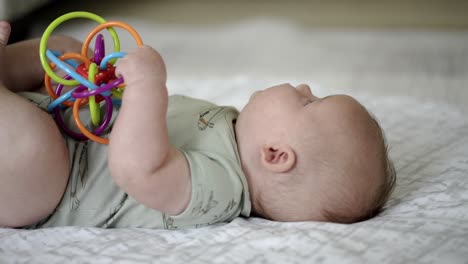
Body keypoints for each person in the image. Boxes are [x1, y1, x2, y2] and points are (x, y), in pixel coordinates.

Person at [0, 21, 396, 229]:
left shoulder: (221, 188)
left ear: (275, 154)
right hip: (65, 121)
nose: (304, 87)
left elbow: (138, 169)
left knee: (34, 145)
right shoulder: (230, 125)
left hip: (48, 188)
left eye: (310, 101)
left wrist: (146, 87)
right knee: (65, 51)